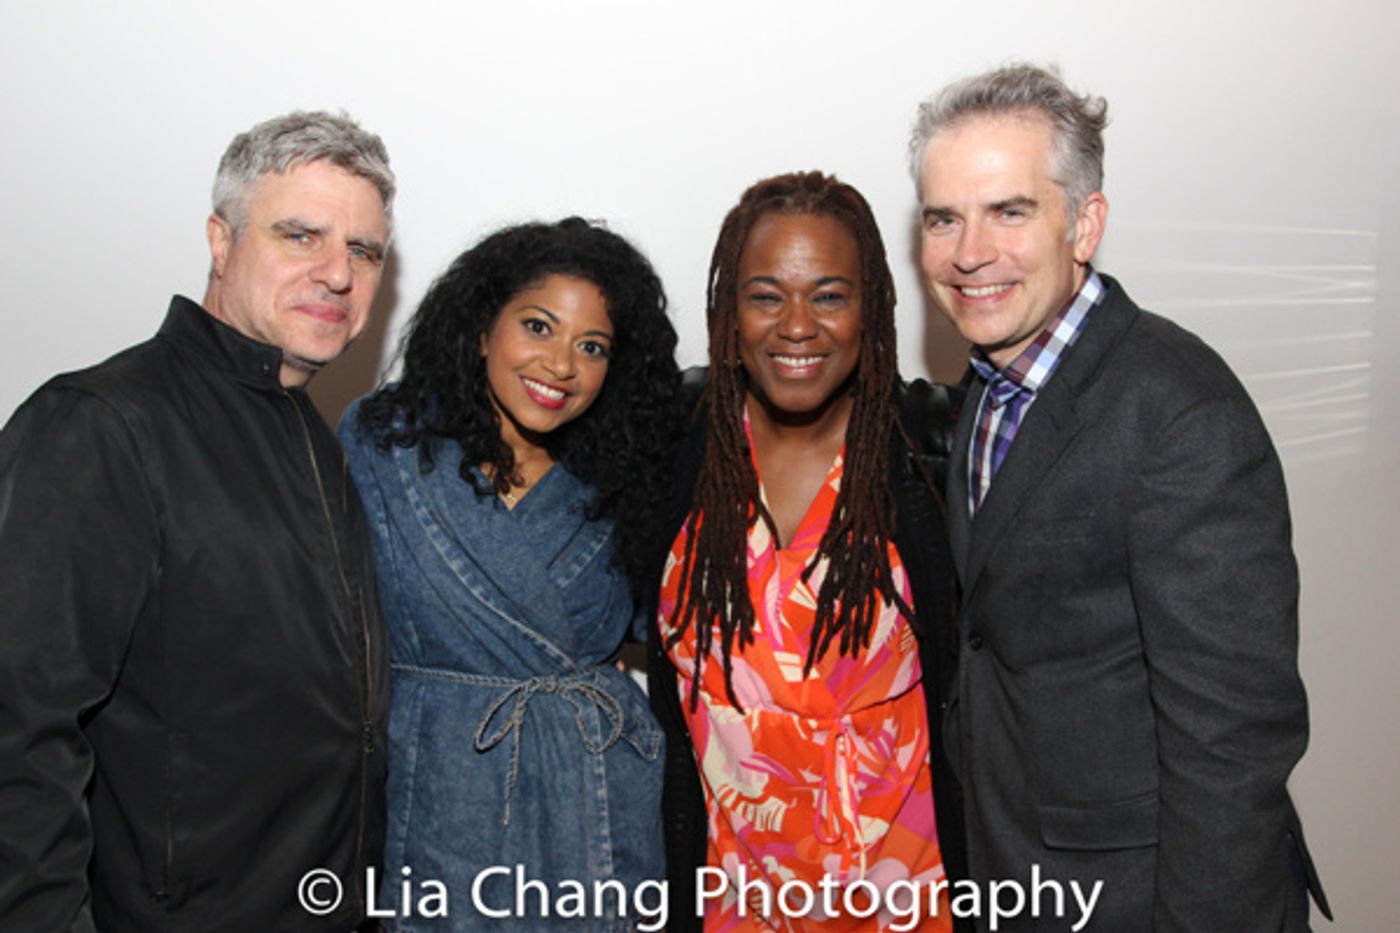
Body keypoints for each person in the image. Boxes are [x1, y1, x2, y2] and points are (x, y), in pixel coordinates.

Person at [909, 64, 1330, 932]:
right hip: (1020, 871)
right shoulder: (993, 380)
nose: (968, 250)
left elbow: (1232, 742)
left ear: (1085, 224)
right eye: (943, 217)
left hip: (1151, 895)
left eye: (1009, 211)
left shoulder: (1181, 413)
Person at [0, 111, 394, 931]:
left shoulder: (318, 442)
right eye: (300, 235)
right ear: (221, 241)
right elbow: (18, 733)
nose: (337, 273)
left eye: (364, 251)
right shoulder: (102, 425)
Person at [339, 217, 681, 931]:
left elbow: (680, 618)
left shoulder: (627, 478)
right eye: (538, 325)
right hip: (440, 797)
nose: (561, 364)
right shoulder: (382, 442)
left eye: (592, 347)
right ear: (480, 326)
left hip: (594, 801)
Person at [649, 172, 968, 932]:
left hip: (906, 899)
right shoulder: (676, 444)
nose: (797, 325)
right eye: (765, 296)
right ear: (730, 313)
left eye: (829, 295)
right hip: (731, 899)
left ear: (873, 309)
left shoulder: (933, 451)